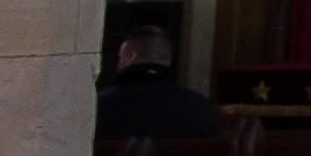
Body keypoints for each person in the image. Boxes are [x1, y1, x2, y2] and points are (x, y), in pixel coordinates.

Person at [93, 23, 222, 143]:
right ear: (167, 60)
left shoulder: (100, 105)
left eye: (120, 57)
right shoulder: (199, 106)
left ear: (131, 57)